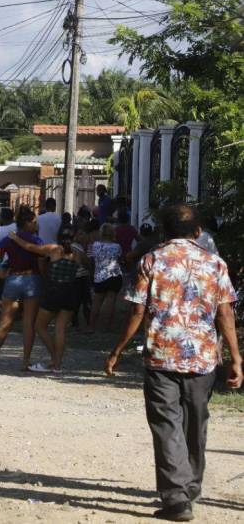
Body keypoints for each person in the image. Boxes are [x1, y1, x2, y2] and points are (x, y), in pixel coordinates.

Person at [105, 204, 242, 522]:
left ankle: (177, 498)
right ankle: (189, 487)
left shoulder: (151, 260)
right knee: (196, 423)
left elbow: (137, 312)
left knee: (166, 426)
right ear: (198, 232)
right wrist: (235, 357)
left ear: (164, 231)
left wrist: (117, 351)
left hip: (161, 357)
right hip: (203, 359)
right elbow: (225, 314)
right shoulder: (215, 264)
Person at [8, 228, 88, 372]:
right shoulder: (78, 254)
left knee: (39, 326)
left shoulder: (54, 249)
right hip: (70, 291)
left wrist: (15, 238)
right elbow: (88, 267)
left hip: (53, 290)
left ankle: (54, 357)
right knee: (60, 329)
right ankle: (57, 365)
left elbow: (30, 247)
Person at [0, 209, 43, 371]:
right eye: (34, 222)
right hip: (32, 280)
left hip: (13, 279)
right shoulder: (37, 240)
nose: (36, 225)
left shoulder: (9, 240)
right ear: (27, 223)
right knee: (29, 323)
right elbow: (42, 263)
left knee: (5, 322)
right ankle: (25, 362)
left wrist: (1, 273)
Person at [88, 223, 123, 332]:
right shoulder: (117, 246)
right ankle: (107, 326)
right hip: (114, 275)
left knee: (96, 302)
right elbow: (119, 259)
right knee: (110, 302)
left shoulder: (95, 245)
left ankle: (91, 326)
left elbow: (91, 260)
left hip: (99, 276)